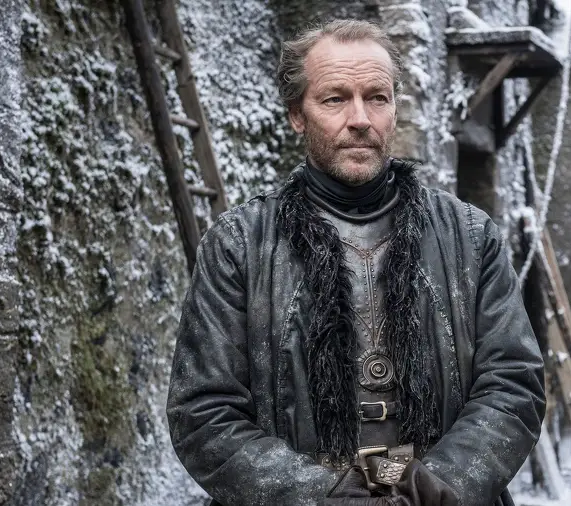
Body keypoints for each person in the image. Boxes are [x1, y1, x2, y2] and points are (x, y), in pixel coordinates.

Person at [166, 19, 545, 506]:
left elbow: (513, 384)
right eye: (335, 99)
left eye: (377, 97)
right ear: (297, 115)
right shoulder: (238, 245)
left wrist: (436, 487)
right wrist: (323, 495)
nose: (360, 118)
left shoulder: (471, 237)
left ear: (394, 108)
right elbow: (203, 412)